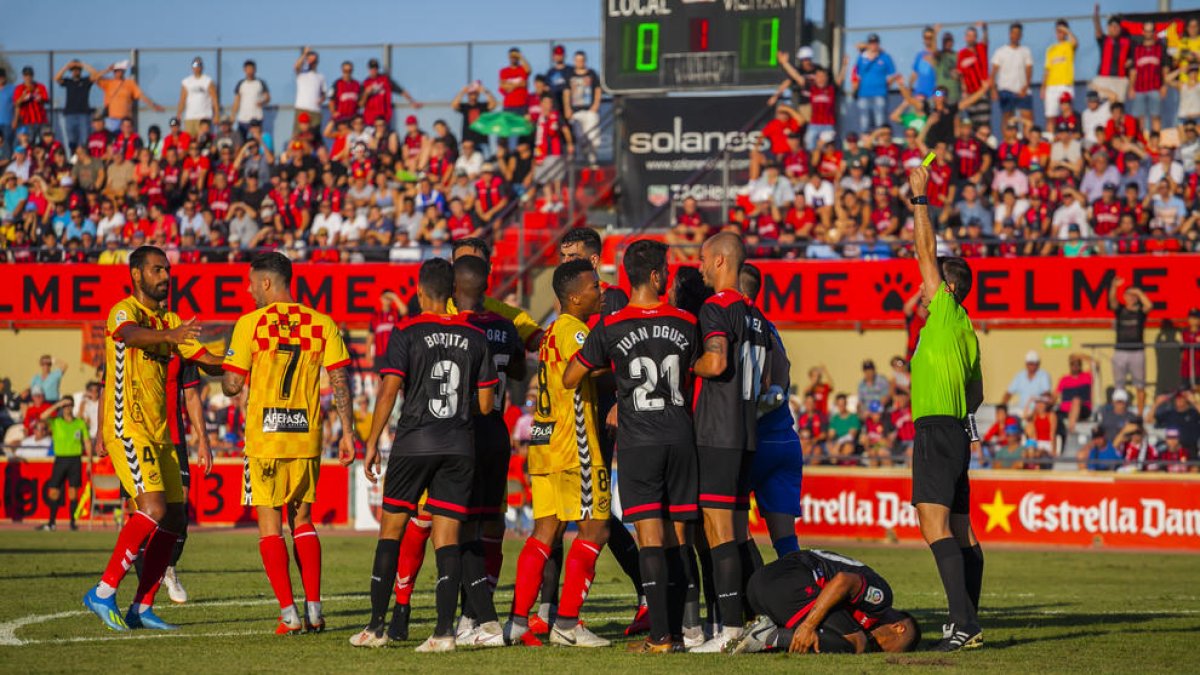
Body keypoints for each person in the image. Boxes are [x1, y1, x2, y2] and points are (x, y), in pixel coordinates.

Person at [352, 258, 501, 652]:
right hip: (459, 445)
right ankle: (443, 633)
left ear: (419, 293)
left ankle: (375, 628)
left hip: (414, 442)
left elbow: (388, 391)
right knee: (447, 538)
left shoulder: (406, 330)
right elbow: (486, 404)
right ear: (452, 294)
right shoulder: (475, 336)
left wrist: (370, 443)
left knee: (392, 533)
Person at [564, 239, 702, 653]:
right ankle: (686, 631)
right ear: (658, 276)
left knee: (650, 539)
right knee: (680, 537)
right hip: (681, 435)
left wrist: (615, 368)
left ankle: (660, 638)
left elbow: (572, 377)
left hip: (639, 441)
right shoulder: (686, 322)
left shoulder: (611, 325)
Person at [81, 245, 222, 632]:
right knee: (154, 508)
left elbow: (205, 359)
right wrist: (169, 334)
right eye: (157, 270)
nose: (165, 276)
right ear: (137, 275)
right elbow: (128, 335)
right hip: (128, 425)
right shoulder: (124, 310)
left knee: (175, 517)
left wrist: (241, 363)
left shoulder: (172, 319)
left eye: (167, 270)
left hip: (161, 434)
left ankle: (142, 606)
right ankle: (104, 591)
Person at [221, 253, 355, 634]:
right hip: (305, 436)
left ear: (266, 283)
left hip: (265, 439)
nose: (248, 291)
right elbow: (339, 380)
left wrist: (215, 365)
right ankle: (314, 609)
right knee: (303, 520)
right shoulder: (321, 322)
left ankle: (288, 614)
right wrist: (347, 432)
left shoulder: (250, 324)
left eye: (250, 283)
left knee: (269, 526)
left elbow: (232, 386)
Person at [500, 259, 611, 649]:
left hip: (543, 443)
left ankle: (516, 621)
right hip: (573, 446)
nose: (601, 290)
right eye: (595, 286)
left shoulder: (548, 333)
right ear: (575, 296)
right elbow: (586, 369)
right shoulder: (574, 331)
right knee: (596, 528)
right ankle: (566, 622)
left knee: (544, 532)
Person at [907, 164, 985, 650]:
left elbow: (924, 250)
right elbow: (976, 393)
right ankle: (968, 619)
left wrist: (919, 199)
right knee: (961, 531)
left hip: (937, 430)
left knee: (932, 524)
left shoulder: (945, 311)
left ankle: (964, 624)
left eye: (929, 284)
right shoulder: (967, 331)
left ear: (946, 289)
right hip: (957, 430)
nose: (921, 288)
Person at [689, 232, 773, 653]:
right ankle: (761, 617)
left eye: (704, 258)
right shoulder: (758, 318)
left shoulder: (716, 307)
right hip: (746, 434)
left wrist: (690, 362)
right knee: (738, 534)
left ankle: (729, 630)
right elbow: (772, 379)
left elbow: (717, 360)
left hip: (717, 432)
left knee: (718, 532)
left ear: (721, 261)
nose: (700, 265)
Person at [444, 256, 526, 645]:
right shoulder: (506, 326)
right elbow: (521, 372)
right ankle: (477, 609)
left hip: (461, 434)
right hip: (497, 432)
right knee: (492, 522)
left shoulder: (451, 328)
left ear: (454, 289)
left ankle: (474, 615)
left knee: (458, 527)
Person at [732, 549, 921, 655]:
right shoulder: (881, 599)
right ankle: (766, 636)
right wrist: (808, 625)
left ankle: (766, 633)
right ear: (899, 628)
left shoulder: (863, 618)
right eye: (883, 646)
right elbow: (843, 581)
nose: (876, 647)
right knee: (857, 643)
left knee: (836, 638)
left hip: (760, 586)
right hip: (788, 584)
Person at [740, 264, 804, 559]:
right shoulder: (768, 325)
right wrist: (776, 393)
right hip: (784, 439)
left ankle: (750, 592)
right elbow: (784, 368)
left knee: (731, 531)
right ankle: (800, 597)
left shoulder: (738, 320)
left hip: (752, 441)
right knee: (786, 541)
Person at [37, 397, 90, 531]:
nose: (67, 407)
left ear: (73, 406)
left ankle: (72, 523)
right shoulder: (57, 422)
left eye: (69, 405)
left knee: (73, 491)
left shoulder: (79, 423)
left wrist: (89, 461)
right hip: (60, 459)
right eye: (65, 405)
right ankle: (51, 523)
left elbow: (87, 442)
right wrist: (57, 405)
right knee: (54, 491)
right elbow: (42, 416)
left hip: (75, 459)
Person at [1109, 276, 1150, 414]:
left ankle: (1140, 414)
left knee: (1140, 384)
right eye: (1128, 295)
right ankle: (1119, 411)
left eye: (1133, 296)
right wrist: (1114, 287)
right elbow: (1112, 301)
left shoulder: (1140, 312)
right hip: (1121, 351)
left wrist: (1138, 292)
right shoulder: (1120, 310)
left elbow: (1149, 306)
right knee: (1119, 384)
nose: (1131, 298)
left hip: (1137, 351)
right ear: (1124, 297)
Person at [851, 34, 900, 132]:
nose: (873, 45)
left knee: (880, 120)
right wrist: (870, 59)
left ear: (878, 44)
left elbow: (893, 74)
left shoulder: (885, 57)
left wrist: (885, 86)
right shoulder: (862, 57)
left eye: (875, 43)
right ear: (868, 44)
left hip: (880, 94)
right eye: (871, 43)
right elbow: (859, 73)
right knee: (864, 121)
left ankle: (879, 143)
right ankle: (866, 141)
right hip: (864, 94)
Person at [991, 23, 1034, 127]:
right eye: (1013, 33)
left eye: (1018, 33)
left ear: (1021, 35)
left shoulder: (1026, 51)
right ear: (1009, 34)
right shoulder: (1000, 51)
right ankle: (1007, 142)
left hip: (1023, 91)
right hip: (1006, 90)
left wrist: (1026, 86)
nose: (1015, 35)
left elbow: (1029, 69)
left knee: (1028, 118)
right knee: (1007, 118)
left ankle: (1026, 142)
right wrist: (993, 90)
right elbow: (993, 73)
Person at [360, 57, 422, 128]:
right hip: (370, 119)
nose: (374, 70)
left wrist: (412, 101)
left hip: (384, 117)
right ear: (368, 69)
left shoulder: (385, 80)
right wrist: (366, 93)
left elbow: (401, 91)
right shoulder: (365, 83)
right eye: (372, 68)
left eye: (375, 68)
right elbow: (361, 104)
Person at [1129, 22, 1168, 133]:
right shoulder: (1137, 49)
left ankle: (1156, 140)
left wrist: (1164, 86)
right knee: (1139, 117)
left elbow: (1164, 69)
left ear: (1154, 33)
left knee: (1156, 115)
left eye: (1151, 31)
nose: (1148, 33)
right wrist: (1131, 87)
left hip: (1155, 88)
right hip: (1139, 89)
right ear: (1142, 32)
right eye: (1146, 31)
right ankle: (1141, 140)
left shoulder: (1160, 48)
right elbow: (1133, 70)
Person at [1042, 20, 1078, 129]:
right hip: (1051, 86)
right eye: (1058, 31)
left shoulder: (1069, 46)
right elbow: (1047, 69)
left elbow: (1075, 42)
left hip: (1065, 85)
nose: (1059, 34)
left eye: (1061, 31)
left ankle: (1070, 137)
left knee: (1068, 114)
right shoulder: (1050, 49)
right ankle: (1050, 140)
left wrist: (1066, 30)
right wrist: (1043, 87)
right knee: (1050, 116)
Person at [54, 60, 94, 153]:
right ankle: (73, 159)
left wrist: (82, 65)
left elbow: (95, 75)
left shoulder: (85, 81)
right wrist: (67, 66)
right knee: (72, 140)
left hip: (83, 114)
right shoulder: (68, 81)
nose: (76, 71)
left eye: (78, 70)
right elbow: (56, 78)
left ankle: (84, 159)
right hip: (70, 114)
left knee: (84, 139)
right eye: (74, 70)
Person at [1002, 350, 1052, 418]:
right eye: (1030, 363)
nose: (1032, 366)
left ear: (1038, 364)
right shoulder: (1019, 375)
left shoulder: (1043, 375)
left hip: (1037, 411)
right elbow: (1009, 393)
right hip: (1021, 410)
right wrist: (1002, 406)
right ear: (1026, 364)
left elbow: (1046, 394)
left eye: (1034, 363)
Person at [176, 57, 218, 139]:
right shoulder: (186, 82)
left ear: (202, 67)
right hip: (190, 117)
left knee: (203, 140)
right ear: (192, 67)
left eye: (199, 65)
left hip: (204, 116)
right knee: (189, 140)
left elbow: (214, 99)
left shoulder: (208, 81)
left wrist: (216, 114)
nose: (197, 67)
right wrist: (179, 114)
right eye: (195, 65)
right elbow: (182, 100)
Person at [230, 60, 269, 139]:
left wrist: (262, 102)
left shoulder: (260, 83)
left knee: (256, 140)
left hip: (256, 117)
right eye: (248, 69)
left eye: (251, 69)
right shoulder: (241, 83)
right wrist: (233, 115)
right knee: (241, 140)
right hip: (243, 118)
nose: (250, 71)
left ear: (255, 70)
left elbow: (268, 97)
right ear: (244, 70)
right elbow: (236, 101)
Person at [294, 47, 327, 132]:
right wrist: (304, 54)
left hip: (315, 111)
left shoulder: (321, 76)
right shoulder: (301, 73)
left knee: (314, 137)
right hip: (302, 108)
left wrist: (321, 99)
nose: (311, 63)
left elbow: (324, 93)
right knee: (298, 136)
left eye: (314, 61)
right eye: (309, 60)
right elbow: (296, 66)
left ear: (317, 62)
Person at [13, 66, 49, 139]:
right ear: (23, 76)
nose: (28, 77)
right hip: (26, 121)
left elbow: (46, 100)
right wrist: (24, 96)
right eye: (26, 75)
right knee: (29, 142)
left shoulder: (40, 87)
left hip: (40, 119)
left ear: (33, 76)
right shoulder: (19, 88)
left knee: (41, 141)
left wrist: (38, 97)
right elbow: (16, 103)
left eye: (30, 75)